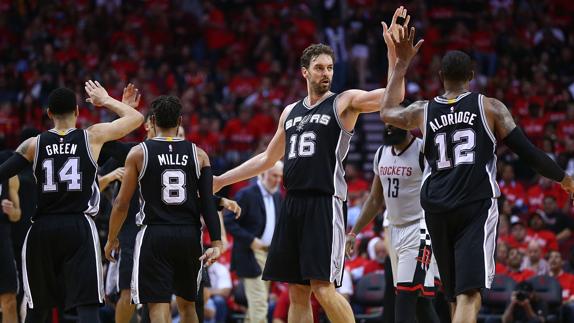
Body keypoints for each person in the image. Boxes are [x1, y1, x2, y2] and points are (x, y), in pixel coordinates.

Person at [213, 7, 410, 323]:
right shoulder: (290, 111)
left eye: (330, 68)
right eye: (319, 68)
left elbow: (393, 97)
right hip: (293, 204)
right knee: (296, 291)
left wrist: (394, 57)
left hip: (324, 202)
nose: (326, 73)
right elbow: (267, 158)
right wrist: (222, 179)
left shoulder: (344, 102)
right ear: (304, 72)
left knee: (323, 287)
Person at [379, 26, 574, 323]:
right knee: (470, 294)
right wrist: (565, 178)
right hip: (474, 205)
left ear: (441, 78)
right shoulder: (490, 107)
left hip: (435, 208)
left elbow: (387, 112)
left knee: (455, 293)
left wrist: (402, 65)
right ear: (472, 76)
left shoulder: (423, 110)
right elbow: (530, 154)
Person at [0, 81, 144, 322]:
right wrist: (107, 100)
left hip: (42, 228)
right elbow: (137, 117)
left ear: (49, 114)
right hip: (79, 226)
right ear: (77, 112)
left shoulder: (33, 144)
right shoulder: (92, 137)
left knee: (38, 309)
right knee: (87, 306)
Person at [100, 110, 239, 323]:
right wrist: (218, 241)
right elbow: (204, 199)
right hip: (188, 234)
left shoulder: (139, 153)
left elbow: (120, 202)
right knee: (188, 305)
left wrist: (110, 238)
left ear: (153, 122)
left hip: (154, 233)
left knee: (157, 304)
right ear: (180, 121)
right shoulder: (198, 154)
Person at [345, 124, 440, 323]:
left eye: (394, 123)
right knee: (420, 301)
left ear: (407, 123)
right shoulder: (381, 153)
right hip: (394, 231)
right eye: (386, 123)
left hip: (420, 229)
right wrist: (354, 232)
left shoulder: (423, 150)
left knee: (404, 299)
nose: (388, 128)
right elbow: (374, 199)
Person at [224, 161, 283, 323]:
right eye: (274, 176)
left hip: (269, 254)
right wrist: (250, 240)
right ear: (262, 174)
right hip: (250, 254)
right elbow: (228, 220)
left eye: (280, 176)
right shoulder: (247, 194)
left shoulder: (278, 196)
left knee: (259, 303)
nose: (278, 180)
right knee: (259, 305)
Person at [0, 162, 21, 323]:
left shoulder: (8, 173)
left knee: (9, 300)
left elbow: (17, 214)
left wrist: (11, 210)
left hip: (3, 243)